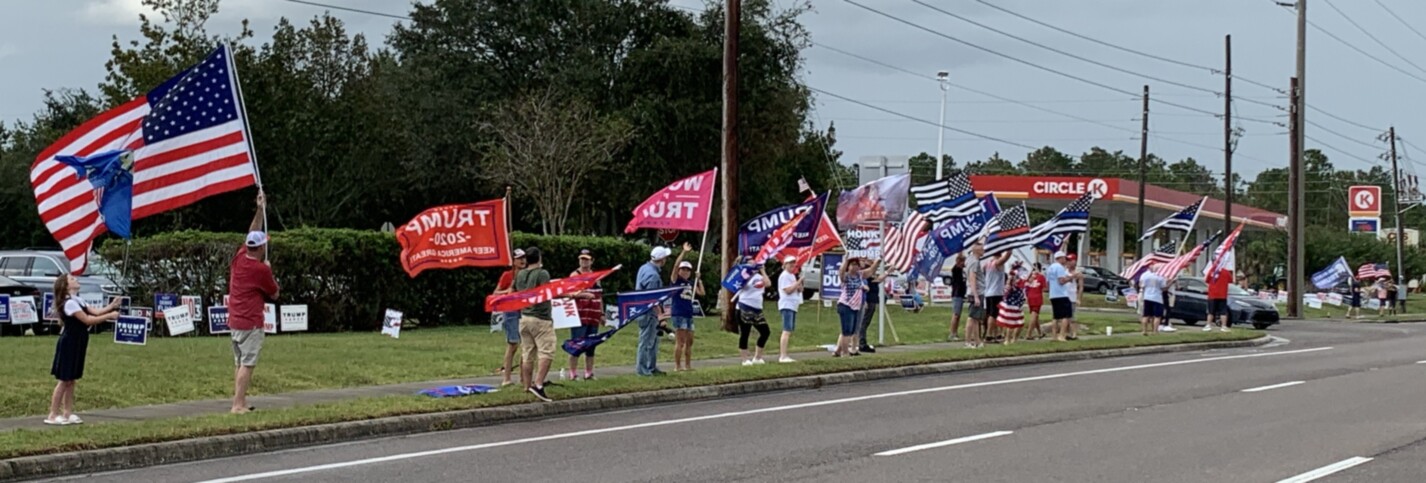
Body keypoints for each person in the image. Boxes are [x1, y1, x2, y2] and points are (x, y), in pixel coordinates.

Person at [228, 192, 279, 414]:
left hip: (236, 320)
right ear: (259, 249)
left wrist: (260, 209)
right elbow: (275, 294)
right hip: (250, 322)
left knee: (240, 363)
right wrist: (268, 270)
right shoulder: (259, 270)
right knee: (248, 364)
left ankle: (241, 400)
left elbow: (252, 232)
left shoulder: (239, 258)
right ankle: (238, 404)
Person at [46, 276, 121, 425]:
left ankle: (67, 412)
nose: (76, 280)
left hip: (79, 341)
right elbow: (87, 320)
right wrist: (110, 316)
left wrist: (111, 305)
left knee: (72, 380)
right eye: (72, 279)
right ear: (67, 286)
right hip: (69, 342)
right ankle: (53, 414)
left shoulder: (78, 301)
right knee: (64, 379)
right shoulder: (70, 304)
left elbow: (96, 312)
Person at [515, 247, 556, 401]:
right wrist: (571, 294)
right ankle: (538, 384)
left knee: (527, 353)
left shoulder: (520, 274)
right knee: (547, 351)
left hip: (524, 317)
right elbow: (547, 292)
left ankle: (526, 386)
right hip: (541, 318)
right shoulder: (542, 273)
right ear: (539, 257)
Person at [567, 249, 603, 381]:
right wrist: (583, 294)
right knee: (577, 343)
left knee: (591, 344)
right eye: (582, 259)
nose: (583, 261)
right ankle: (572, 372)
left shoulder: (596, 276)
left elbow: (599, 295)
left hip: (593, 315)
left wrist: (602, 313)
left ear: (592, 261)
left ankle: (589, 372)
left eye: (586, 259)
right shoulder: (574, 275)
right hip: (579, 315)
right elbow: (569, 294)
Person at [635, 246, 671, 376]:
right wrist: (660, 315)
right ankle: (643, 369)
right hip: (649, 313)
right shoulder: (653, 276)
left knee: (653, 341)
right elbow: (652, 299)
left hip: (642, 311)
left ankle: (651, 366)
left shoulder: (643, 268)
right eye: (665, 258)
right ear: (661, 259)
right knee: (647, 341)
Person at [494, 249, 527, 386]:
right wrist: (507, 292)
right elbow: (496, 293)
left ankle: (523, 377)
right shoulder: (507, 275)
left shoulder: (527, 275)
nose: (522, 260)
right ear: (513, 261)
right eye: (519, 258)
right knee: (513, 344)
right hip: (511, 311)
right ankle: (506, 378)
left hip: (525, 310)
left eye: (524, 258)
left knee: (526, 345)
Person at [669, 244, 704, 372]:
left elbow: (701, 293)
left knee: (690, 342)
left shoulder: (690, 284)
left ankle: (688, 365)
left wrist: (698, 280)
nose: (685, 271)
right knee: (680, 341)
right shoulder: (675, 280)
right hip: (679, 313)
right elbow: (675, 266)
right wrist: (684, 252)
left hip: (689, 314)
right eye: (683, 269)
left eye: (688, 270)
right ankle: (677, 366)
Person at [836, 257, 877, 357]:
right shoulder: (846, 276)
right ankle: (845, 352)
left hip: (856, 306)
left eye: (856, 264)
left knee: (852, 331)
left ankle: (840, 351)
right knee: (846, 331)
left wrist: (878, 260)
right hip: (846, 305)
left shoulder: (860, 276)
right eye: (852, 264)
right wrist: (846, 260)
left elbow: (871, 270)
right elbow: (841, 272)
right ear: (848, 266)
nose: (854, 267)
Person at [735, 261, 773, 365]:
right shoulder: (743, 275)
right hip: (744, 306)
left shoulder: (759, 276)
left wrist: (762, 270)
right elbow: (736, 285)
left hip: (757, 308)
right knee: (745, 333)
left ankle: (757, 357)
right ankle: (744, 359)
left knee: (765, 331)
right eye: (751, 263)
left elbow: (768, 283)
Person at [1046, 251, 1082, 342]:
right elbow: (1061, 281)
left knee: (1055, 317)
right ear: (1060, 258)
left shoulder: (1050, 268)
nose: (1065, 260)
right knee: (1066, 315)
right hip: (1061, 294)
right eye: (1064, 258)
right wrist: (1072, 277)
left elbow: (1048, 283)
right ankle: (1061, 335)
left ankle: (1054, 336)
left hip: (1053, 294)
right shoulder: (1060, 267)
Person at [981, 247, 1012, 343]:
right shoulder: (997, 263)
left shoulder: (987, 264)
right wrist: (1010, 247)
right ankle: (989, 335)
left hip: (988, 292)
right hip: (996, 292)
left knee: (993, 313)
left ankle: (995, 334)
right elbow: (1006, 257)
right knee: (993, 315)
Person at [777, 255, 804, 363]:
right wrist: (797, 283)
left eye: (793, 263)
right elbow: (788, 290)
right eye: (790, 263)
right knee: (786, 330)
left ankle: (785, 354)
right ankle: (783, 355)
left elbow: (799, 290)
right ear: (785, 265)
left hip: (793, 305)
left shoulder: (792, 276)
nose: (792, 265)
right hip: (786, 304)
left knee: (789, 330)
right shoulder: (784, 276)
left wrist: (800, 282)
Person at [858, 267, 887, 354]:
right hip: (869, 302)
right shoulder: (868, 279)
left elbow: (878, 279)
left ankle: (861, 341)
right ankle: (862, 343)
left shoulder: (872, 278)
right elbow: (877, 280)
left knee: (866, 323)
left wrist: (887, 270)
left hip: (873, 302)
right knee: (864, 323)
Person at [965, 243, 986, 349]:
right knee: (972, 317)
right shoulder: (974, 262)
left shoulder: (970, 259)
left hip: (977, 292)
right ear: (976, 249)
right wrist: (976, 295)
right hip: (976, 292)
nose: (983, 249)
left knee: (976, 318)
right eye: (981, 248)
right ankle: (968, 342)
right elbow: (972, 278)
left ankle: (977, 341)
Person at [1140, 269, 1168, 336]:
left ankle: (1144, 331)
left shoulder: (1145, 275)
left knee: (1145, 315)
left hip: (1147, 297)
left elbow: (1141, 285)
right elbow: (1163, 288)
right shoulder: (1161, 276)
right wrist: (1170, 282)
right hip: (1157, 298)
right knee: (1157, 316)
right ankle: (1155, 331)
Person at [1024, 263, 1047, 340]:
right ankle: (1029, 334)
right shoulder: (1041, 277)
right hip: (1037, 298)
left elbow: (1026, 285)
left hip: (1030, 297)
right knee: (1034, 316)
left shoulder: (1029, 277)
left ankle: (1040, 332)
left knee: (1035, 316)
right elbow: (1044, 288)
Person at [948, 255, 967, 341]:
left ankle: (955, 332)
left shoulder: (962, 271)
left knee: (958, 315)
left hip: (961, 294)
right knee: (955, 314)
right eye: (963, 262)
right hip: (957, 294)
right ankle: (952, 333)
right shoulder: (956, 269)